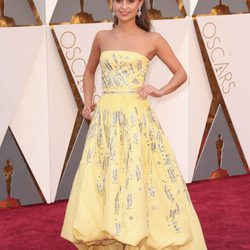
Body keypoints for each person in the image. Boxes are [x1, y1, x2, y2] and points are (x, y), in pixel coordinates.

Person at [60, 0, 207, 249]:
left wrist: (159, 90)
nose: (124, 6)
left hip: (136, 118)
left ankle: (138, 234)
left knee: (138, 175)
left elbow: (181, 73)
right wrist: (87, 103)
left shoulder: (153, 40)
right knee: (106, 175)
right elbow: (89, 72)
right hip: (106, 117)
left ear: (140, 3)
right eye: (119, 0)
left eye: (131, 0)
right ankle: (110, 234)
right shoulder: (101, 37)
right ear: (110, 4)